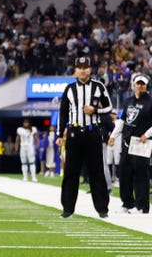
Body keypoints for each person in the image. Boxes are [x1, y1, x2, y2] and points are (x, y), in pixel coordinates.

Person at [56, 56, 112, 219]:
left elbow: (109, 107)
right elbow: (63, 113)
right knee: (71, 173)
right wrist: (60, 134)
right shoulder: (69, 89)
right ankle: (67, 209)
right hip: (73, 133)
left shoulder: (98, 86)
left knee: (97, 172)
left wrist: (94, 111)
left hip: (92, 132)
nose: (82, 70)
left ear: (90, 69)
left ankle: (102, 209)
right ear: (75, 70)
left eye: (85, 67)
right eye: (79, 67)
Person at [108, 74, 152, 214]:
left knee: (141, 175)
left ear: (146, 85)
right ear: (133, 85)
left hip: (141, 143)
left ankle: (142, 206)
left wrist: (147, 134)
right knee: (124, 173)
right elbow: (122, 121)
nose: (140, 86)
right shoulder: (128, 101)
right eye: (138, 83)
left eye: (143, 83)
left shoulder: (150, 102)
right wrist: (113, 136)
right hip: (127, 142)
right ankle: (127, 203)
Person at [106, 111, 121, 185]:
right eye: (111, 114)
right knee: (109, 161)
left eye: (114, 114)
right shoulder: (109, 122)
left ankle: (118, 178)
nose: (112, 115)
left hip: (117, 144)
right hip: (109, 144)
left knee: (117, 161)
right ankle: (111, 178)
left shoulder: (119, 122)